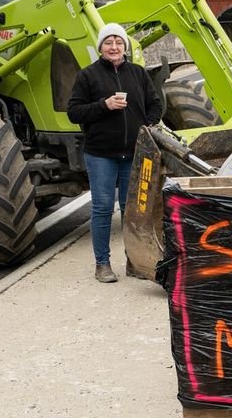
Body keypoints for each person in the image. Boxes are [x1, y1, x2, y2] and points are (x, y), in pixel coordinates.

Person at [66, 23, 162, 283]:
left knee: (133, 211)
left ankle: (135, 261)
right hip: (101, 155)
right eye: (108, 42)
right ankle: (103, 264)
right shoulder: (88, 76)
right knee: (102, 208)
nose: (114, 47)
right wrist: (103, 105)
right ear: (101, 47)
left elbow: (155, 104)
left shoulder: (138, 74)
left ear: (125, 46)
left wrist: (147, 125)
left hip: (133, 153)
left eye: (118, 42)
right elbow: (74, 112)